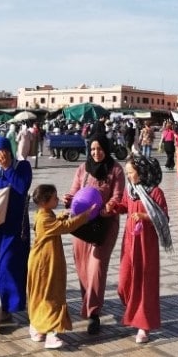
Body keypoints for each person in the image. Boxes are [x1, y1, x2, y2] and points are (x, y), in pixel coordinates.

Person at [62, 135, 125, 335]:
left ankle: (93, 313)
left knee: (96, 267)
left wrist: (110, 206)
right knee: (82, 268)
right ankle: (88, 305)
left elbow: (118, 195)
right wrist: (68, 199)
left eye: (100, 149)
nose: (96, 153)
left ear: (106, 148)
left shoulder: (115, 169)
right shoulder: (83, 169)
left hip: (105, 225)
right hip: (82, 224)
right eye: (93, 149)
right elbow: (74, 191)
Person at [107, 154, 172, 344]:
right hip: (129, 243)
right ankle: (133, 311)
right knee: (124, 283)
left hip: (146, 246)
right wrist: (114, 206)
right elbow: (125, 207)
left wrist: (144, 216)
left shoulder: (156, 192)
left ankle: (143, 326)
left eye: (131, 173)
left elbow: (163, 218)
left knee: (145, 284)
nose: (128, 176)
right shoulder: (131, 189)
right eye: (127, 173)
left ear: (141, 172)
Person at [27, 184, 97, 349]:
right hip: (44, 264)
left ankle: (37, 327)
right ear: (45, 201)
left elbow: (55, 223)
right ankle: (52, 333)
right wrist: (85, 215)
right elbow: (65, 228)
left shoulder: (43, 214)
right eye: (54, 197)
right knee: (51, 295)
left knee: (42, 295)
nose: (57, 200)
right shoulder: (44, 218)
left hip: (44, 262)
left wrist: (61, 216)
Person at [0, 135, 33, 331]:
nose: (2, 156)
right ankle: (4, 311)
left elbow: (22, 187)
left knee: (9, 267)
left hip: (15, 230)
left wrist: (9, 168)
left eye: (5, 152)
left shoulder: (22, 167)